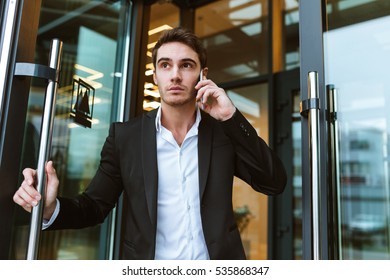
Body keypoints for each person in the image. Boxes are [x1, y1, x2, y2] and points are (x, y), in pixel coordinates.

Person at [13, 27, 287, 260]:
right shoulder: (125, 138)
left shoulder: (222, 133)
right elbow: (94, 207)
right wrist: (49, 208)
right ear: (155, 75)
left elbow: (273, 182)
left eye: (186, 65)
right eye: (165, 65)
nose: (175, 75)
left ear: (203, 75)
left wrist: (231, 116)